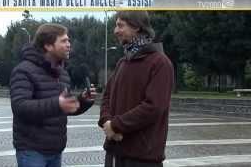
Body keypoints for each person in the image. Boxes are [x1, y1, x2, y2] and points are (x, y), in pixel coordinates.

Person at [10, 23, 96, 167]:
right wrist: (57, 104)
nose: (69, 45)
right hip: (32, 151)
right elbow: (20, 107)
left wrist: (83, 101)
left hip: (56, 150)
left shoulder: (62, 73)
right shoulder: (23, 71)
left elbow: (63, 107)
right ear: (48, 46)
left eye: (68, 40)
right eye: (64, 41)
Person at [98, 11, 174, 167]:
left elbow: (153, 107)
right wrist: (107, 121)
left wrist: (116, 125)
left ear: (137, 27)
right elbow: (106, 96)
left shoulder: (160, 63)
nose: (115, 31)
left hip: (142, 157)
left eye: (120, 25)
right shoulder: (122, 62)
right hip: (115, 151)